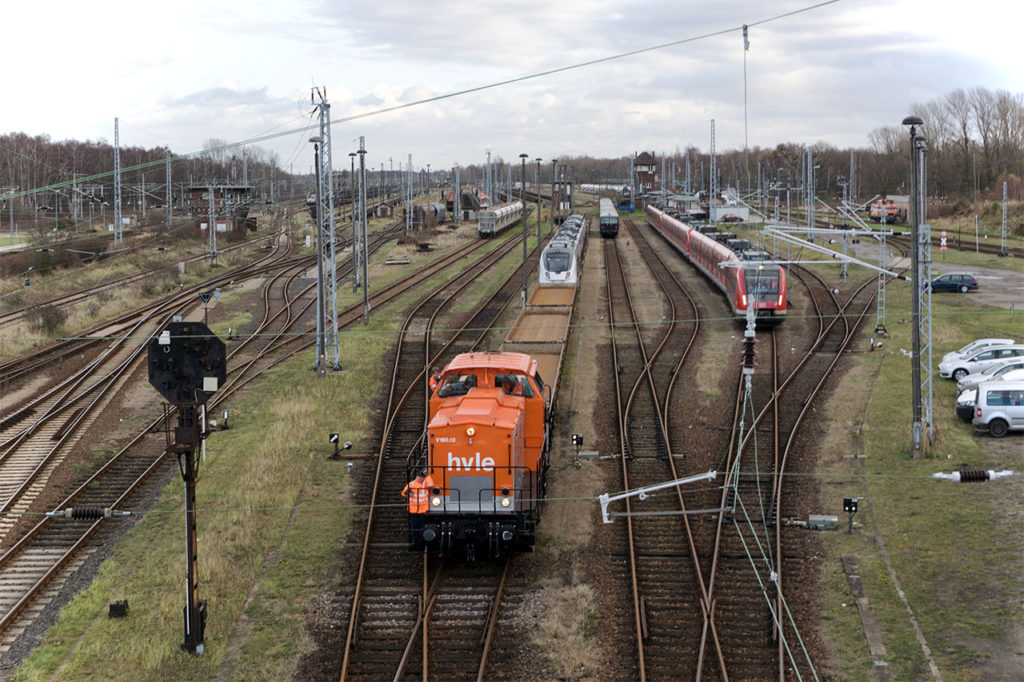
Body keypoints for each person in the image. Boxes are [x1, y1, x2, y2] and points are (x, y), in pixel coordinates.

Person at [401, 469, 434, 549]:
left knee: (422, 527)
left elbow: (431, 484)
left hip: (422, 510)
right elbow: (403, 492)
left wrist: (427, 476)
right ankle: (415, 542)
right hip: (413, 510)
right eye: (419, 477)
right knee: (414, 527)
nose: (420, 479)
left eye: (422, 477)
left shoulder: (425, 483)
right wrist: (406, 492)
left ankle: (422, 542)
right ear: (417, 477)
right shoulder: (411, 484)